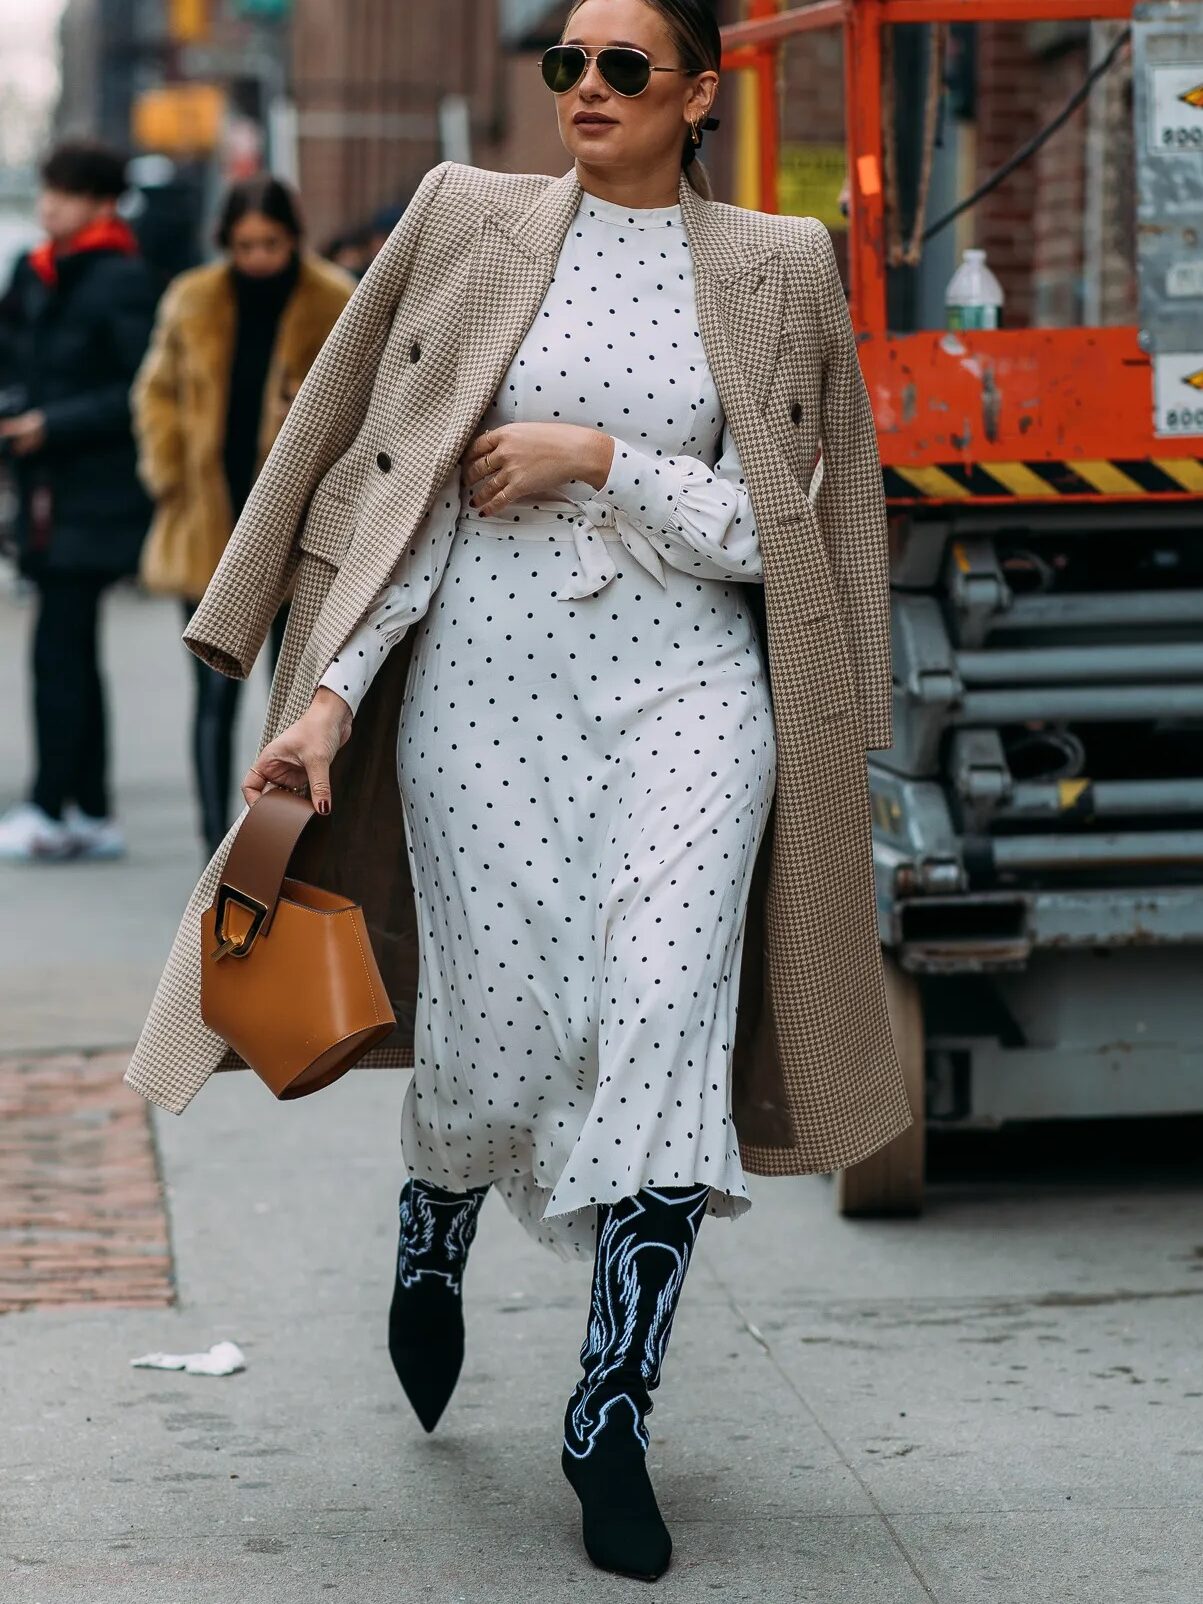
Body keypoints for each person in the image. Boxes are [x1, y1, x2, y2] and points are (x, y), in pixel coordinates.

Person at [126, 0, 912, 1582]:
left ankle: (606, 1409)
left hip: (690, 694)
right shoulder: (466, 219)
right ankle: (436, 1216)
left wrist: (596, 460)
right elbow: (398, 498)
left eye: (625, 67)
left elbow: (797, 530)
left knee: (661, 1017)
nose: (587, 89)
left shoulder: (776, 264)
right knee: (492, 1044)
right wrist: (331, 702)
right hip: (478, 696)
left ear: (700, 93)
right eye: (565, 62)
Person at [131, 177, 354, 856]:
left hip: (297, 535)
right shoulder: (192, 299)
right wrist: (170, 474)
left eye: (271, 243)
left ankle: (282, 848)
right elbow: (155, 392)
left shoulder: (334, 301)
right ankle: (211, 849)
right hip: (210, 526)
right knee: (212, 698)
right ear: (224, 241)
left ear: (294, 238)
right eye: (244, 244)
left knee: (293, 702)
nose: (257, 256)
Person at [0, 140, 156, 862]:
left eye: (65, 191)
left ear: (100, 203)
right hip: (41, 491)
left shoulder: (121, 278)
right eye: (48, 188)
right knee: (69, 649)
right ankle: (87, 811)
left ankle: (50, 805)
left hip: (90, 496)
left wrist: (49, 424)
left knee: (58, 649)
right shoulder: (32, 274)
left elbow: (138, 390)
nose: (50, 202)